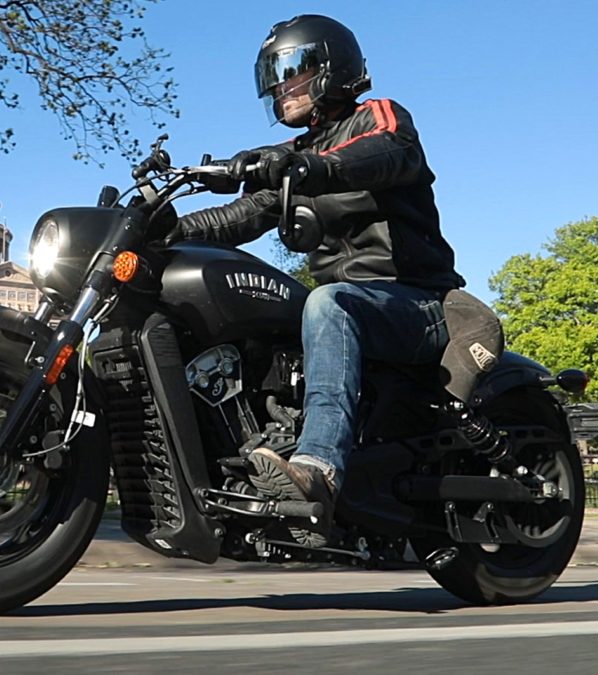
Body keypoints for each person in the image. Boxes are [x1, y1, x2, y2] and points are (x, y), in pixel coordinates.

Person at [168, 14, 466, 547]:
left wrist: (304, 166)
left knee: (328, 303)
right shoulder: (298, 162)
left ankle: (318, 472)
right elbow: (241, 216)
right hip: (351, 307)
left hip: (418, 302)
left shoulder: (375, 118)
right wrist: (158, 230)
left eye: (292, 71)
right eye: (274, 76)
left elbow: (389, 149)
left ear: (331, 67)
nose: (280, 87)